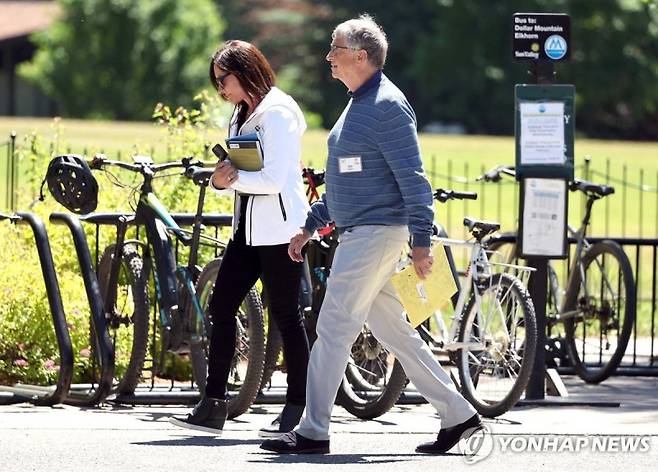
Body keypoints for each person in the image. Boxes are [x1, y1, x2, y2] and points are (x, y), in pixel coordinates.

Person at [260, 15, 481, 455]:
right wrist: (310, 224)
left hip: (374, 236)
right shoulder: (359, 102)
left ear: (360, 56)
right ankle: (460, 415)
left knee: (333, 328)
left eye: (335, 49)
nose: (329, 57)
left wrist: (422, 242)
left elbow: (415, 180)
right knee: (393, 332)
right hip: (365, 232)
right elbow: (348, 182)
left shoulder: (387, 106)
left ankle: (313, 430)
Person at [170, 40, 311, 437]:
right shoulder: (241, 115)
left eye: (223, 80)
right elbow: (236, 171)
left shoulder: (279, 113)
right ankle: (214, 401)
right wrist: (220, 179)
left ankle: (298, 407)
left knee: (287, 316)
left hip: (282, 232)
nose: (221, 90)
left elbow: (272, 179)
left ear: (246, 70)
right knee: (222, 305)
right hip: (246, 232)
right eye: (216, 83)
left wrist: (228, 180)